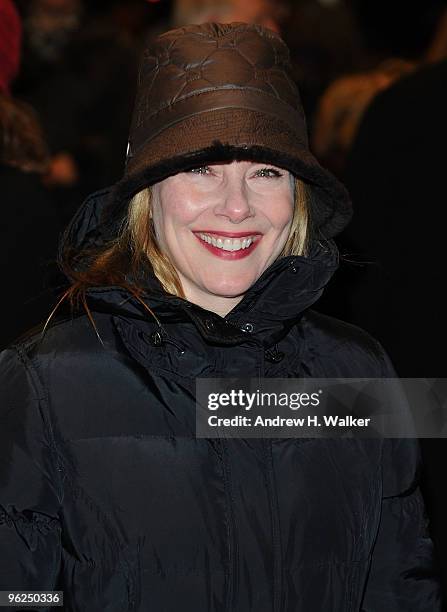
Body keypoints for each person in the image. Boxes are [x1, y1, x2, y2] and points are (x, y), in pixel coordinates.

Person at [0, 22, 442, 611]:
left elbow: (399, 585)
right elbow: (19, 593)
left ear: (297, 197)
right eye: (201, 169)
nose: (237, 207)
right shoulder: (42, 384)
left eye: (265, 171)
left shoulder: (359, 371)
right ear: (147, 192)